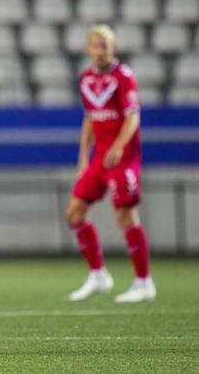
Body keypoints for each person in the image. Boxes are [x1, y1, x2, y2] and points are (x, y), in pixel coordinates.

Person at [66, 24, 156, 303]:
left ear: (113, 48)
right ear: (89, 48)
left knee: (125, 215)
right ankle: (98, 275)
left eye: (105, 45)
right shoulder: (86, 79)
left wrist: (118, 147)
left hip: (123, 158)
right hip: (99, 159)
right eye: (96, 44)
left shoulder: (124, 76)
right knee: (75, 213)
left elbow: (133, 117)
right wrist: (83, 155)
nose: (100, 50)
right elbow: (91, 118)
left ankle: (143, 282)